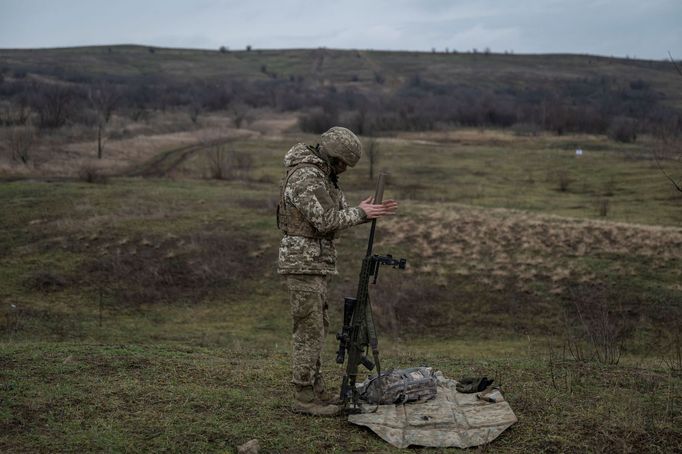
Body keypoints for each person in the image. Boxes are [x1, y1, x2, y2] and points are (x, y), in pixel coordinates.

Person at [277, 126, 398, 416]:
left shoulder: (323, 175)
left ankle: (316, 391)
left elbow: (338, 211)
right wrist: (361, 214)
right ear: (333, 156)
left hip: (314, 262)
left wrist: (361, 210)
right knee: (309, 329)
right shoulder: (307, 176)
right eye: (343, 163)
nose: (344, 170)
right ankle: (304, 396)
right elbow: (326, 220)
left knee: (317, 327)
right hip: (302, 262)